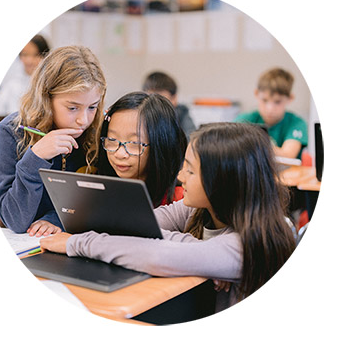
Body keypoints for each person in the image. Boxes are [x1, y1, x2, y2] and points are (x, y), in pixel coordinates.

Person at [41, 122, 296, 313]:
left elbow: (156, 255)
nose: (181, 176)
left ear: (223, 183)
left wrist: (75, 243)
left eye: (191, 170)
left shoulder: (252, 242)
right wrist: (197, 249)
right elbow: (137, 223)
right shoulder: (198, 209)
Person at [0, 45, 107, 237]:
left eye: (92, 107)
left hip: (75, 243)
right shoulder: (12, 131)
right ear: (46, 99)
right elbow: (14, 219)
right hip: (28, 245)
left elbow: (102, 202)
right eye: (73, 108)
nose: (84, 120)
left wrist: (58, 219)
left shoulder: (98, 132)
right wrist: (35, 157)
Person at [97, 91, 187, 207]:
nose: (119, 154)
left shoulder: (181, 200)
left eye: (134, 143)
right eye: (112, 140)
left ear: (161, 144)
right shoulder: (99, 194)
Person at [235, 68, 308, 159]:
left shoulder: (297, 123)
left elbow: (288, 154)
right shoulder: (243, 120)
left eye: (277, 102)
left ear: (290, 98)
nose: (269, 109)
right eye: (264, 100)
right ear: (256, 94)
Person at [0, 34, 51, 117]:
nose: (29, 61)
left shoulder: (50, 83)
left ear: (45, 56)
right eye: (25, 55)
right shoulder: (11, 84)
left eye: (35, 55)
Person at [142, 71, 196, 139]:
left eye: (160, 99)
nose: (154, 104)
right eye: (149, 98)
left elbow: (191, 139)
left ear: (174, 98)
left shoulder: (182, 114)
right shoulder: (140, 115)